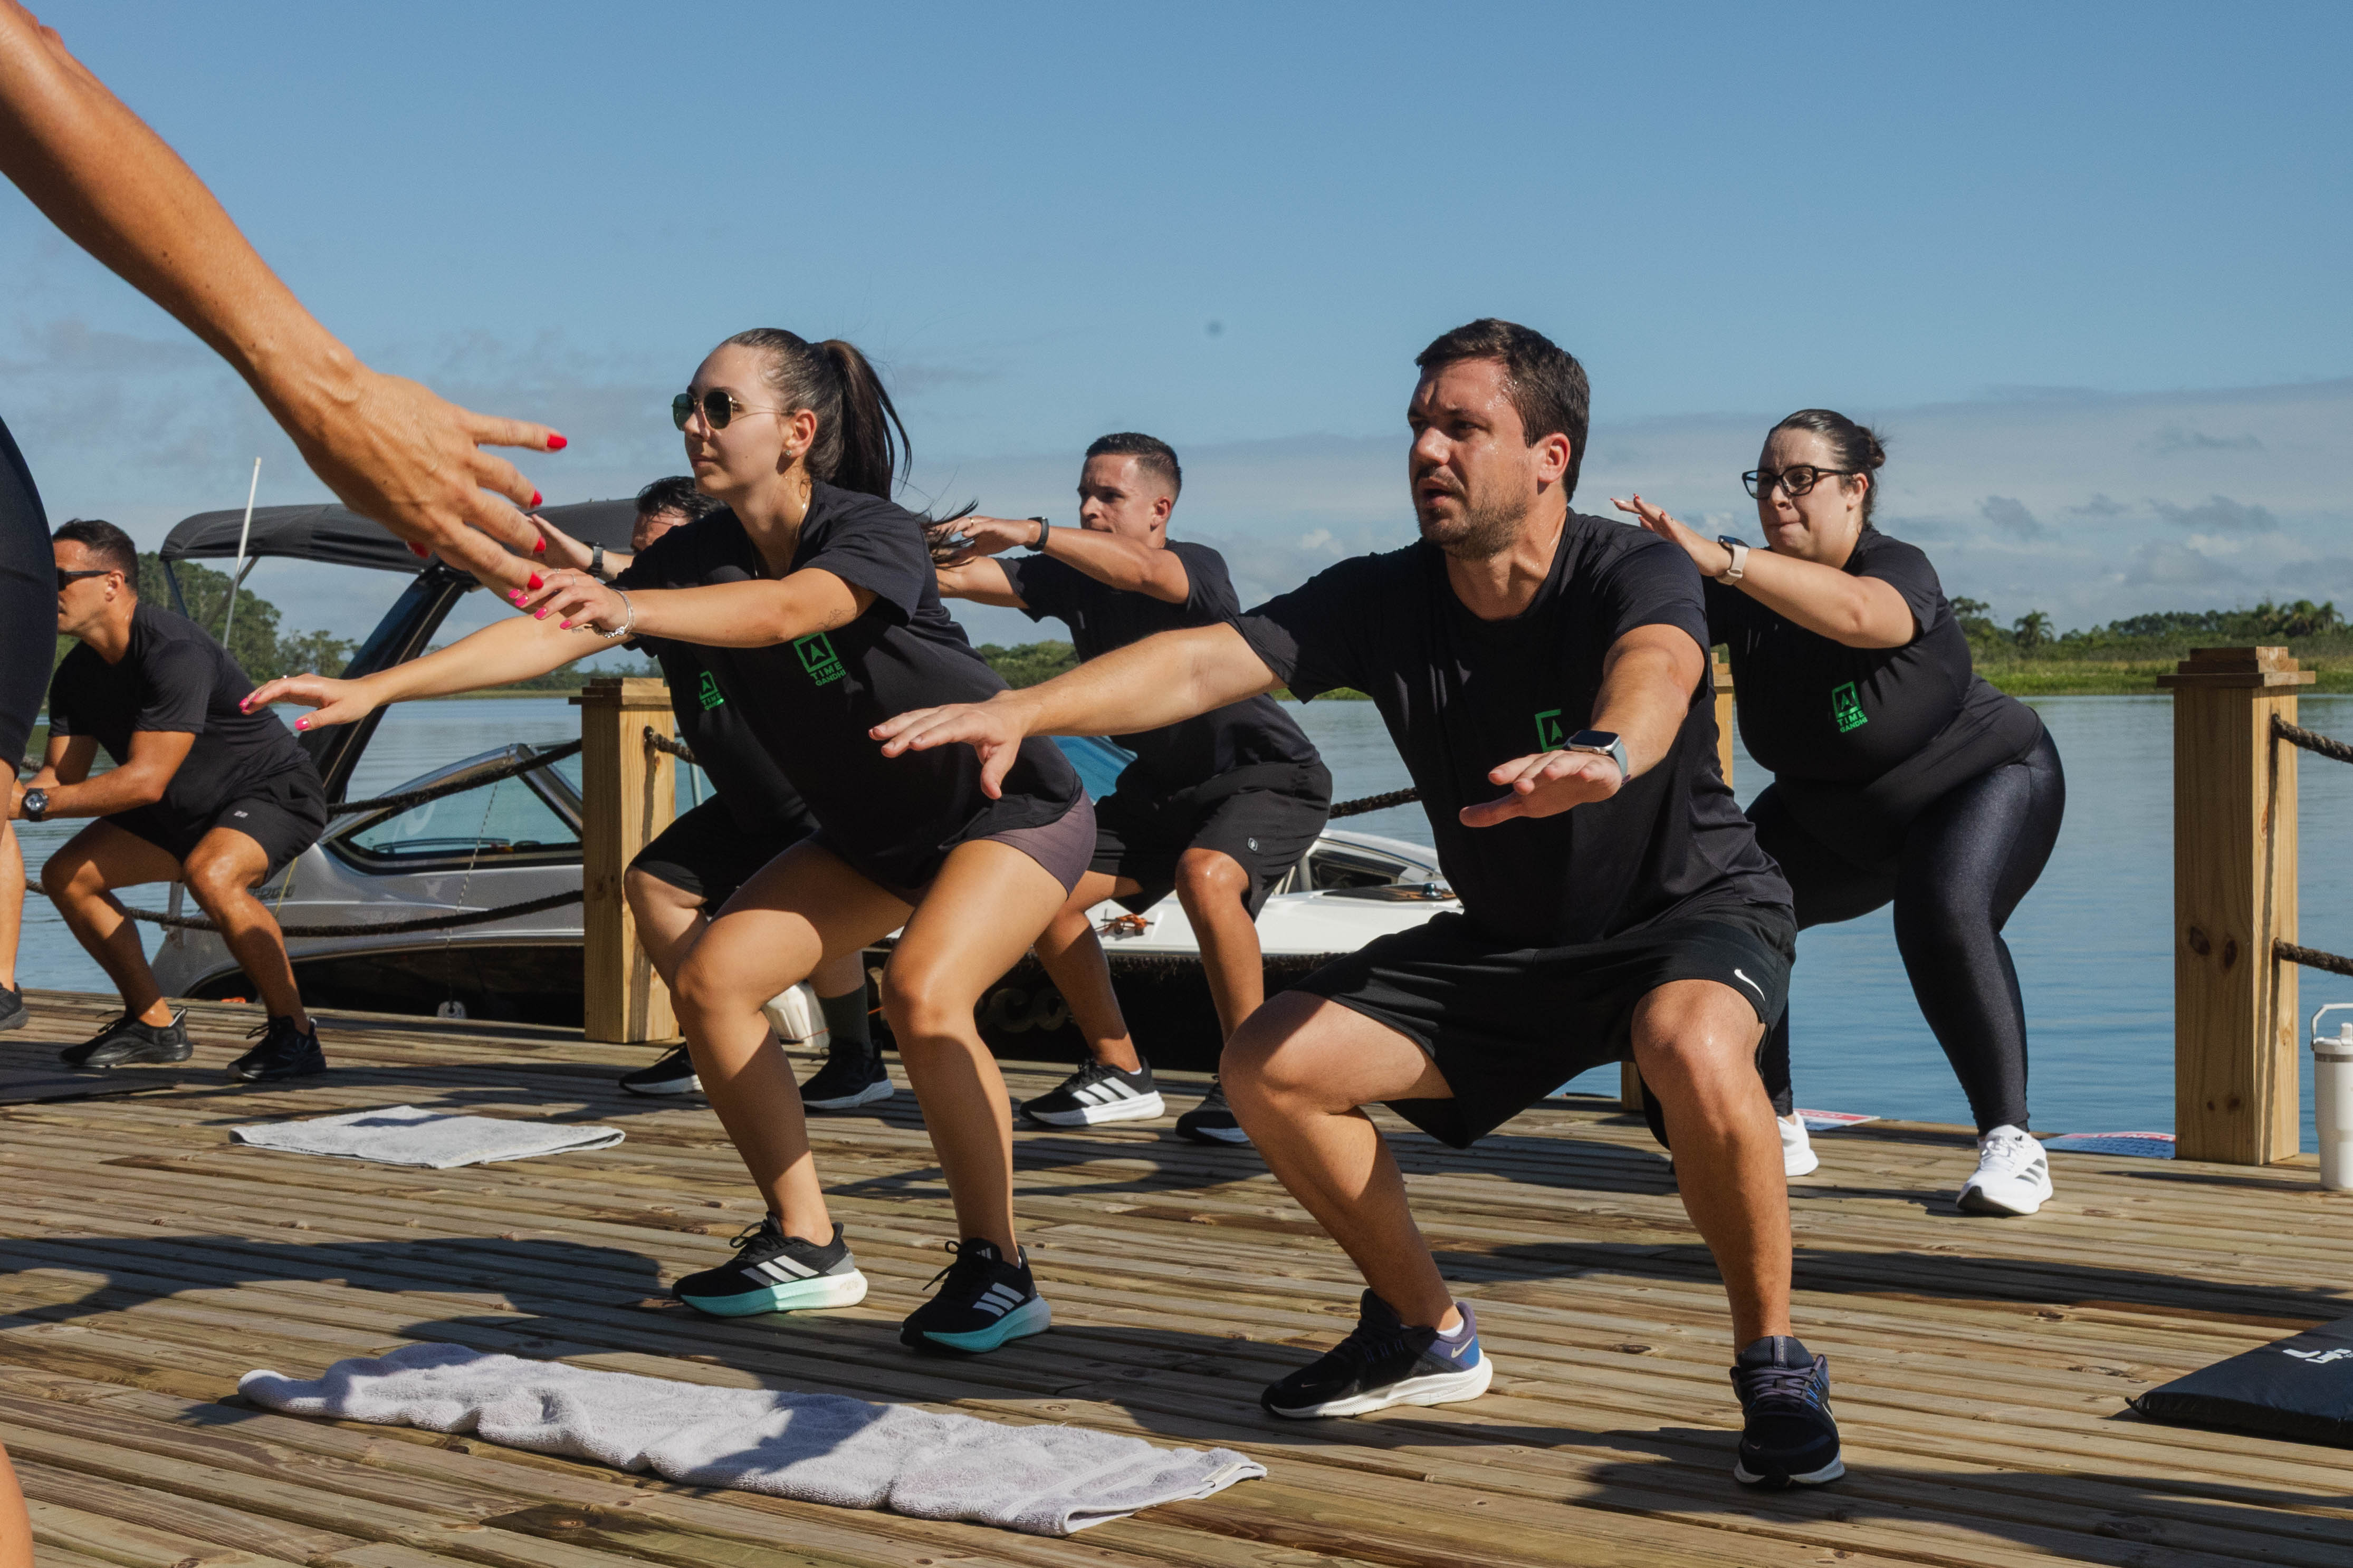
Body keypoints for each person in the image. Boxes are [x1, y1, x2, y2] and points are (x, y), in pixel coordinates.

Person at [875, 320, 1844, 1489]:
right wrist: (1022, 712)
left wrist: (1607, 749)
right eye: (1418, 427)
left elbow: (1660, 668)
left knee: (1685, 1039)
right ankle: (1422, 1326)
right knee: (1268, 1066)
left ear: (1549, 454)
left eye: (1460, 427)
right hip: (1508, 938)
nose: (1427, 449)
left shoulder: (1626, 565)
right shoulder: (1383, 595)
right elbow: (1196, 663)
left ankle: (1773, 1356)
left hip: (1687, 910)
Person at [252, 330, 1095, 1358]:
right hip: (876, 833)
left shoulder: (866, 530)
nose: (695, 426)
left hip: (1006, 804)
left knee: (920, 990)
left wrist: (631, 601)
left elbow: (792, 611)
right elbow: (562, 624)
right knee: (714, 981)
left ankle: (997, 1266)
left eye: (718, 407)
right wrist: (374, 687)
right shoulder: (697, 554)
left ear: (798, 432)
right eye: (685, 409)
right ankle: (807, 1240)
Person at [1614, 411, 2064, 1215]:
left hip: (1990, 782)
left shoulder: (1897, 568)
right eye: (1766, 481)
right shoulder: (1741, 597)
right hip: (1837, 820)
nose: (1778, 497)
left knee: (1943, 909)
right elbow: (1645, 623)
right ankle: (1772, 1121)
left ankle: (2013, 1143)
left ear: (1856, 490)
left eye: (1801, 480)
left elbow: (1862, 616)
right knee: (1731, 903)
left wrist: (1725, 559)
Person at [931, 434, 1330, 1142]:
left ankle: (1250, 1082)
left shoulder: (1195, 569)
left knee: (1206, 876)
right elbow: (957, 580)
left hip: (1267, 776)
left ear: (1158, 510)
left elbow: (1146, 573)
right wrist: (885, 545)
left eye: (1109, 497)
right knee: (1043, 896)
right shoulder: (1071, 581)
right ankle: (1120, 1069)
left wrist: (1030, 531)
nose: (1088, 508)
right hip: (1159, 791)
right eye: (1083, 495)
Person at [537, 477, 883, 1105]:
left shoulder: (743, 593)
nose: (651, 562)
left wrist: (596, 562)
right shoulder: (655, 604)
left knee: (822, 921)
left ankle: (859, 1061)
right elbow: (615, 592)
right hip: (747, 803)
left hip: (813, 794)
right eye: (641, 549)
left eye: (663, 546)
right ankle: (712, 1035)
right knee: (655, 884)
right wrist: (573, 558)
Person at [11, 520, 330, 1078]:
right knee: (68, 875)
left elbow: (143, 781)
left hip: (271, 791)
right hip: (179, 809)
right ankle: (153, 1026)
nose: (47, 592)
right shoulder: (75, 674)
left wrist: (33, 807)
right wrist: (16, 793)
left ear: (112, 583)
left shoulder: (173, 651)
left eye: (59, 578)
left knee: (212, 875)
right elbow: (60, 775)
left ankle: (296, 1035)